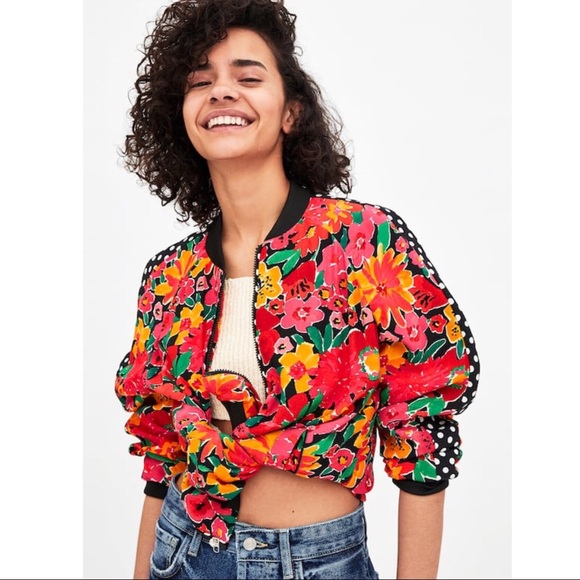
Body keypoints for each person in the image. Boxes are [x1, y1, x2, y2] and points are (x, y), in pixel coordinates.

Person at [114, 1, 480, 578]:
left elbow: (424, 425)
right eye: (200, 82)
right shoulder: (168, 276)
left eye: (248, 77)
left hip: (315, 562)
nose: (221, 91)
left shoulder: (363, 243)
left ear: (291, 113)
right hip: (182, 553)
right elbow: (162, 461)